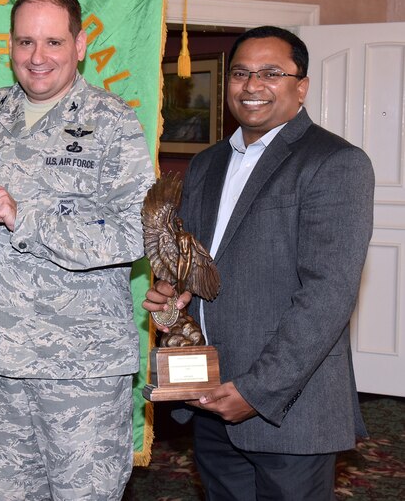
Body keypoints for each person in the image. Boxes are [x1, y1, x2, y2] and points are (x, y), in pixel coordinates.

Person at [143, 26, 374, 500]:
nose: (252, 85)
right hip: (210, 395)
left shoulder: (335, 162)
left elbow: (327, 295)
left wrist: (257, 391)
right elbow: (199, 261)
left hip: (287, 405)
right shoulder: (207, 163)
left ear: (301, 86)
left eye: (271, 73)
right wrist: (173, 292)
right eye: (240, 73)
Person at [0, 0, 155, 500]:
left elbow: (133, 234)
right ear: (10, 45)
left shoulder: (112, 121)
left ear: (80, 45)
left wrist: (24, 218)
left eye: (53, 42)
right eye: (25, 42)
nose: (37, 57)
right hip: (0, 358)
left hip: (82, 367)